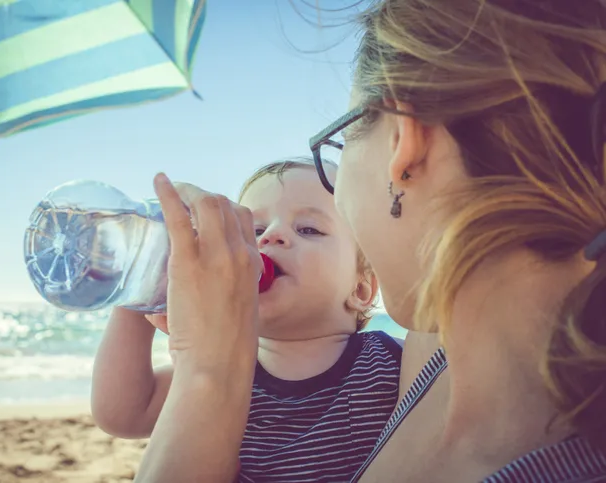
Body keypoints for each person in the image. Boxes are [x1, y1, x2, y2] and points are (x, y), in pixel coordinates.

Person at [134, 0, 606, 481]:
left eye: (337, 144)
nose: (273, 237)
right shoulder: (440, 343)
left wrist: (207, 371)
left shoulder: (421, 360)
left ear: (406, 141)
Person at [91, 158, 407, 482]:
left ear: (361, 287)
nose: (271, 236)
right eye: (253, 231)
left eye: (308, 229)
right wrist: (139, 284)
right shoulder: (225, 368)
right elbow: (123, 412)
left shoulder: (396, 362)